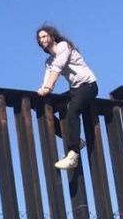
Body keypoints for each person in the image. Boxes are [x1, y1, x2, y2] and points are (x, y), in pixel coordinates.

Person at [36, 24, 98, 170]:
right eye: (39, 38)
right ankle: (77, 141)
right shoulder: (48, 61)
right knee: (45, 109)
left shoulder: (64, 46)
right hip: (74, 89)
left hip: (88, 85)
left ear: (52, 36)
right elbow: (47, 77)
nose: (42, 39)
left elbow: (57, 69)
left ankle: (73, 153)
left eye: (44, 36)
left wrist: (48, 88)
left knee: (72, 110)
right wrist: (43, 89)